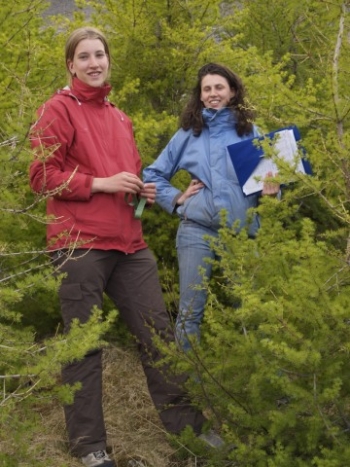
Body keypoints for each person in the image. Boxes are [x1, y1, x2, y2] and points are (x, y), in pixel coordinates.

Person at [29, 27, 212, 467]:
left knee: (159, 339)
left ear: (109, 60)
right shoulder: (57, 109)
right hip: (78, 244)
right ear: (71, 64)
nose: (95, 63)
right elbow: (40, 178)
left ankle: (190, 435)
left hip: (130, 245)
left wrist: (141, 191)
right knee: (84, 344)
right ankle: (90, 446)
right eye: (85, 56)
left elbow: (125, 175)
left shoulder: (120, 116)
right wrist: (101, 183)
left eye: (101, 55)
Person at [143, 62, 279, 352]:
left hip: (241, 236)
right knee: (190, 313)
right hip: (196, 232)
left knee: (256, 313)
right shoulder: (188, 134)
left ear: (232, 92)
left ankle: (271, 395)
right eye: (207, 89)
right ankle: (186, 391)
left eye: (219, 87)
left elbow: (269, 184)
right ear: (200, 96)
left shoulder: (253, 133)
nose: (213, 93)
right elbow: (152, 175)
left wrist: (273, 191)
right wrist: (176, 198)